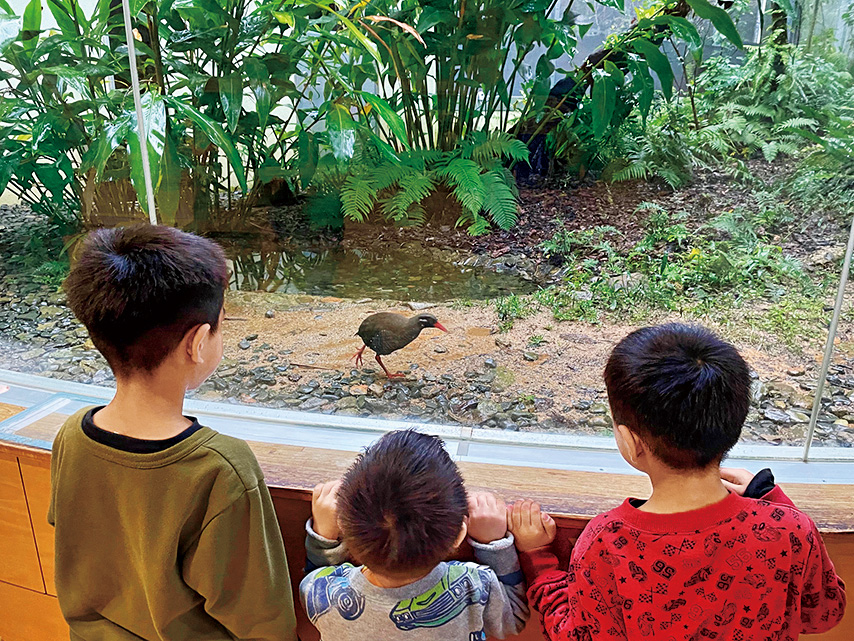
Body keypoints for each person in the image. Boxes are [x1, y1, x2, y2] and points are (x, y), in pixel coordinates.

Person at [508, 323, 846, 640]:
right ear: (734, 425)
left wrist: (538, 558)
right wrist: (767, 498)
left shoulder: (606, 543)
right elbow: (824, 613)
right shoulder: (787, 529)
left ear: (630, 440)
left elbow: (576, 635)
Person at [49, 225, 297, 641]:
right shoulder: (221, 470)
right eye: (220, 325)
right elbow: (265, 626)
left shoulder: (70, 435)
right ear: (197, 342)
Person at [299, 429, 529, 640]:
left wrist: (323, 537)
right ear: (460, 534)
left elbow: (316, 581)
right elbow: (514, 619)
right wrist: (493, 543)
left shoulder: (325, 595)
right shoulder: (474, 584)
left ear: (341, 522)